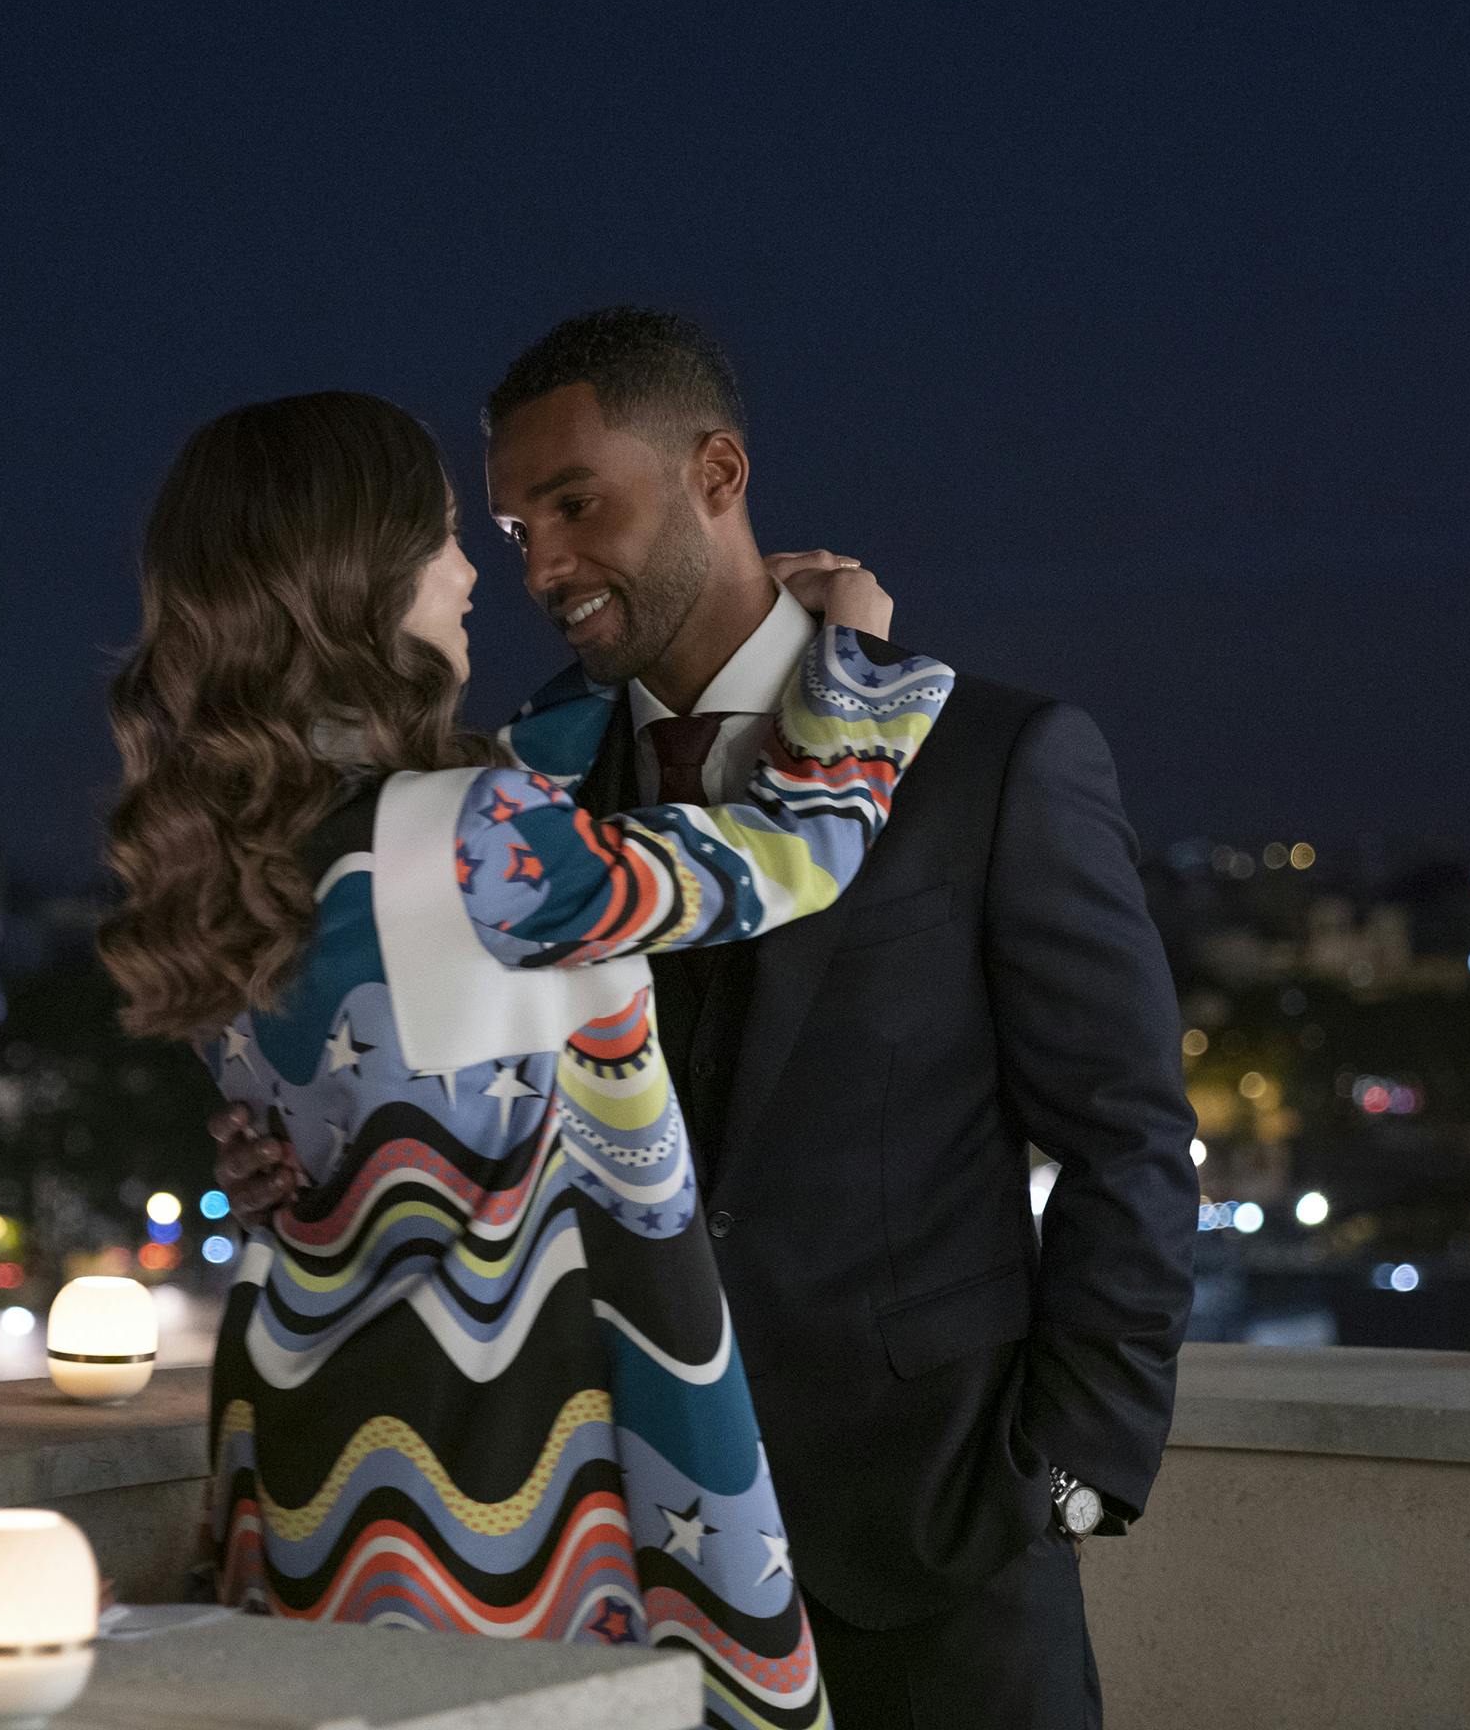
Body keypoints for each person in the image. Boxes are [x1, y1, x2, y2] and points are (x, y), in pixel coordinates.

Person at [216, 311, 1199, 1730]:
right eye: (506, 529)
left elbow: (1129, 1138)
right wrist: (281, 1154)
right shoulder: (514, 798)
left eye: (573, 505)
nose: (542, 566)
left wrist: (1065, 1481)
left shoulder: (993, 760)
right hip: (609, 1547)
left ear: (717, 474)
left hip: (933, 1538)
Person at [102, 387, 955, 1730]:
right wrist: (852, 660)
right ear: (357, 576)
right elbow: (780, 858)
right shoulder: (464, 837)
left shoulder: (230, 850)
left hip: (313, 1425)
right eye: (443, 537)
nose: (469, 573)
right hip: (511, 1436)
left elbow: (487, 823)